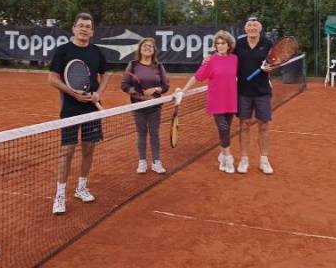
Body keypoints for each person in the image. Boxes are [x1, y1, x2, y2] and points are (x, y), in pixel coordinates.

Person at [49, 12, 109, 215]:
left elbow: (106, 74)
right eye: (81, 25)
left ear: (92, 32)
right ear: (74, 28)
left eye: (88, 26)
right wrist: (73, 93)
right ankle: (60, 195)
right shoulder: (63, 51)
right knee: (67, 152)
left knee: (89, 149)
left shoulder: (96, 52)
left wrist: (98, 94)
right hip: (70, 109)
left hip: (92, 107)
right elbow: (52, 79)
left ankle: (81, 187)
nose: (84, 29)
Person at [180, 30, 238, 174]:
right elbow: (197, 76)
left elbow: (241, 74)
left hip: (231, 100)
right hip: (216, 101)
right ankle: (228, 158)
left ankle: (222, 154)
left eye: (223, 43)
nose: (220, 46)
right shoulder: (211, 60)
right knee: (223, 129)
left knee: (226, 130)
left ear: (229, 44)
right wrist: (184, 90)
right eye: (217, 43)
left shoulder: (234, 59)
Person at [121, 37, 170, 174]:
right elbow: (124, 85)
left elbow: (165, 86)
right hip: (138, 106)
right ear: (140, 49)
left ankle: (156, 162)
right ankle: (142, 162)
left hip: (155, 106)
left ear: (154, 50)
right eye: (144, 46)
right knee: (141, 133)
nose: (147, 48)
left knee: (154, 134)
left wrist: (155, 90)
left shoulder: (159, 66)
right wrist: (137, 93)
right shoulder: (133, 65)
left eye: (150, 46)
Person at [234, 15, 275, 174]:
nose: (252, 27)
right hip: (243, 91)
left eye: (255, 25)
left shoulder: (267, 43)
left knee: (264, 125)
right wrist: (209, 59)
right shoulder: (239, 44)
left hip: (262, 91)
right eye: (249, 25)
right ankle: (244, 159)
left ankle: (264, 160)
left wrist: (270, 68)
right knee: (244, 125)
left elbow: (274, 63)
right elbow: (224, 55)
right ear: (245, 28)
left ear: (260, 27)